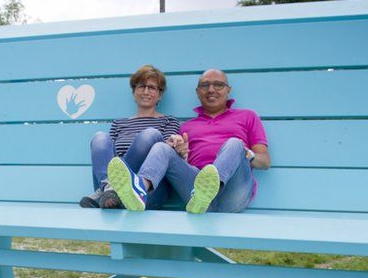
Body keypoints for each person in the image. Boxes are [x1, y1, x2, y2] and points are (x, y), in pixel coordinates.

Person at [107, 69, 271, 214]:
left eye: (218, 85)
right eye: (205, 85)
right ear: (198, 91)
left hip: (233, 193)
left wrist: (246, 153)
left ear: (228, 90)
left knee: (235, 144)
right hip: (194, 194)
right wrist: (181, 153)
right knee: (162, 148)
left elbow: (265, 162)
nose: (211, 89)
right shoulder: (186, 127)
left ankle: (210, 190)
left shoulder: (247, 116)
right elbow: (180, 166)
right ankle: (140, 189)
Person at [79, 64, 181, 209]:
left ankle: (113, 190)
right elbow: (108, 157)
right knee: (100, 137)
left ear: (160, 94)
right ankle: (110, 190)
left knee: (150, 135)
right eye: (141, 86)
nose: (146, 91)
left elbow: (165, 155)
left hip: (148, 190)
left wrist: (175, 146)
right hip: (109, 192)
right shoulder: (118, 124)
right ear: (134, 92)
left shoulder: (169, 122)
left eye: (152, 88)